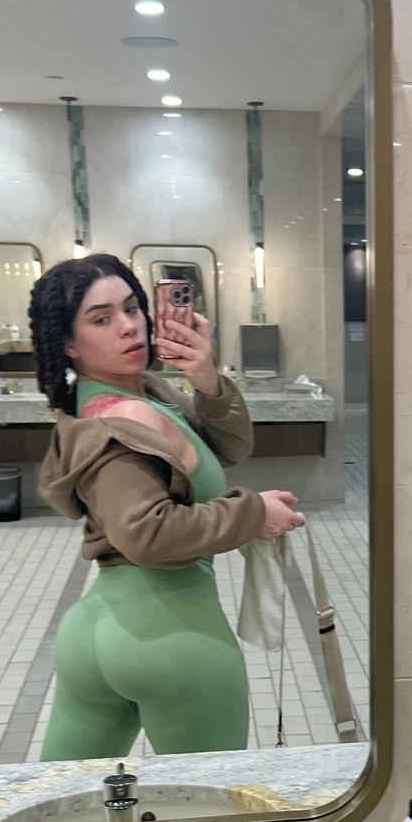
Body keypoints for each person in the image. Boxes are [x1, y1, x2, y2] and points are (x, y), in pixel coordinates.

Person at [29, 253, 304, 761]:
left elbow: (229, 448)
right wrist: (253, 515)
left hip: (92, 632)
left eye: (132, 308)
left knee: (64, 804)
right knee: (206, 802)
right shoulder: (128, 416)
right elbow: (146, 534)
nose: (128, 326)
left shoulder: (123, 399)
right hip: (174, 638)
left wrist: (206, 379)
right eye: (101, 319)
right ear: (68, 343)